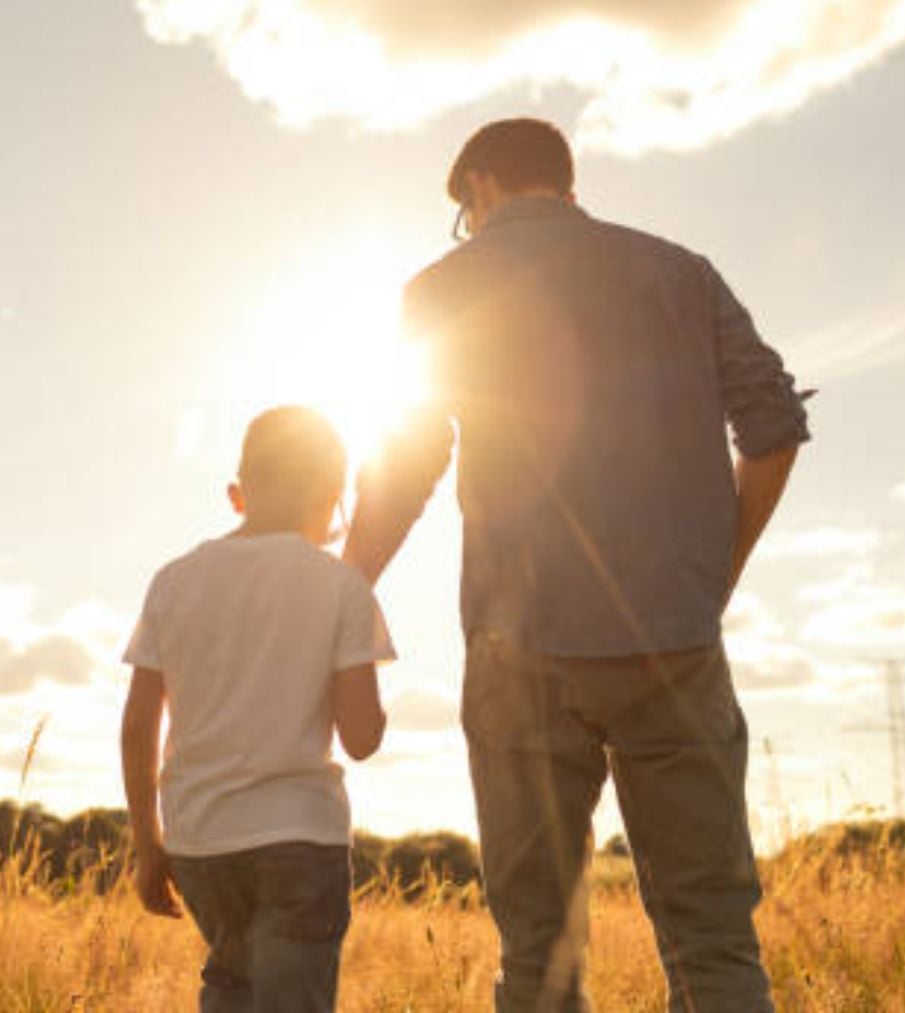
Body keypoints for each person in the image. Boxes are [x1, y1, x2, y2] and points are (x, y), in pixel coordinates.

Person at [343, 118, 810, 1012]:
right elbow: (775, 430)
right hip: (672, 639)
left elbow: (406, 460)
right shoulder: (681, 272)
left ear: (479, 187)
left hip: (518, 648)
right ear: (566, 180)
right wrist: (711, 576)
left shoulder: (442, 289)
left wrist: (344, 579)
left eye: (464, 213)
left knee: (540, 956)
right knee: (713, 939)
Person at [121, 405, 396, 1013]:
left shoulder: (173, 582)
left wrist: (148, 845)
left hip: (201, 842)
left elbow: (139, 726)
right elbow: (360, 736)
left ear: (237, 495)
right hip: (299, 837)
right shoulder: (341, 587)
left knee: (231, 986)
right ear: (332, 499)